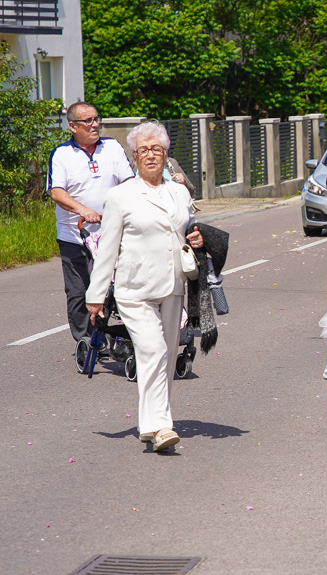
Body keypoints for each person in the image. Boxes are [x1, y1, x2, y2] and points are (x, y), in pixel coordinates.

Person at [85, 121, 203, 451]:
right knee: (151, 349)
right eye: (143, 151)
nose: (150, 155)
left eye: (156, 149)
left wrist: (195, 237)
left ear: (166, 155)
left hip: (172, 285)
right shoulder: (120, 196)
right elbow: (107, 248)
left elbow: (185, 230)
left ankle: (150, 425)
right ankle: (161, 425)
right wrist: (95, 296)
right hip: (134, 287)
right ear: (134, 157)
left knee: (165, 355)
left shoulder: (179, 192)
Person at [47, 101, 134, 343]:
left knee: (113, 289)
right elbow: (57, 192)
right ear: (73, 126)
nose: (95, 124)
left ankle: (109, 334)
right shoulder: (62, 154)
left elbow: (129, 182)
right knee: (79, 291)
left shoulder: (112, 147)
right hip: (75, 236)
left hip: (111, 234)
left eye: (97, 119)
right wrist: (84, 211)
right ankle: (85, 340)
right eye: (88, 121)